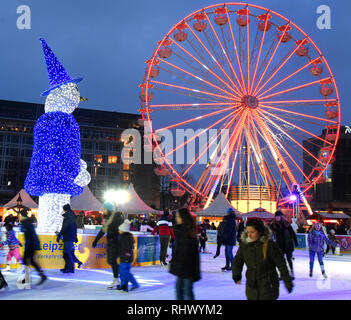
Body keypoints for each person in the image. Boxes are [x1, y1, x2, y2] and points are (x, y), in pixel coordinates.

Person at [232, 219, 293, 300]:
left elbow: (281, 265)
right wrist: (236, 275)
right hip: (251, 288)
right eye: (248, 232)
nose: (249, 235)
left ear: (260, 232)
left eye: (252, 232)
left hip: (268, 287)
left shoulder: (270, 246)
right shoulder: (245, 245)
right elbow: (237, 261)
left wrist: (287, 282)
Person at [169, 208, 201, 300]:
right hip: (180, 267)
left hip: (188, 269)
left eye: (178, 217)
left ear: (183, 218)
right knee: (178, 290)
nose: (176, 218)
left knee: (187, 291)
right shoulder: (179, 231)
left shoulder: (189, 233)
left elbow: (194, 255)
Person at [92, 202, 124, 289]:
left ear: (109, 210)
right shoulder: (106, 218)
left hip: (116, 242)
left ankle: (117, 279)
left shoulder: (117, 217)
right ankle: (119, 277)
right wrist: (96, 240)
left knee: (112, 260)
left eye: (105, 209)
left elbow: (123, 229)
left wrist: (117, 236)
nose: (103, 210)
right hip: (110, 242)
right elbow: (103, 230)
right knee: (110, 261)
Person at [17, 209, 47, 289]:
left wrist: (27, 247)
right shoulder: (27, 222)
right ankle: (41, 275)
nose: (18, 217)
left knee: (26, 260)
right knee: (30, 261)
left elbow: (29, 236)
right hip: (33, 243)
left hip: (31, 244)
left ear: (22, 215)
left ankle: (29, 278)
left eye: (19, 215)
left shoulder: (26, 223)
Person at [270, 211, 298, 279]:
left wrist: (295, 241)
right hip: (279, 245)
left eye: (278, 216)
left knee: (289, 259)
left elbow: (292, 233)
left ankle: (292, 273)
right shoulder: (274, 225)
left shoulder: (287, 224)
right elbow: (270, 233)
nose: (277, 218)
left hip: (288, 244)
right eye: (276, 216)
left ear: (281, 216)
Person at [116, 219, 139, 292]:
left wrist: (126, 254)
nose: (119, 231)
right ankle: (124, 284)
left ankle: (132, 284)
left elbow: (126, 247)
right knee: (123, 271)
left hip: (126, 257)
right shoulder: (125, 237)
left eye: (120, 230)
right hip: (125, 256)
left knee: (124, 272)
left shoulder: (125, 237)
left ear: (123, 230)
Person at [56, 204, 80, 273]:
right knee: (66, 253)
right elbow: (75, 227)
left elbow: (64, 227)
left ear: (64, 209)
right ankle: (67, 268)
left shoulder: (67, 217)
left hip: (68, 237)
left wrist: (59, 235)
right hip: (71, 237)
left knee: (67, 253)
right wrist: (75, 237)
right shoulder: (73, 216)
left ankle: (70, 268)